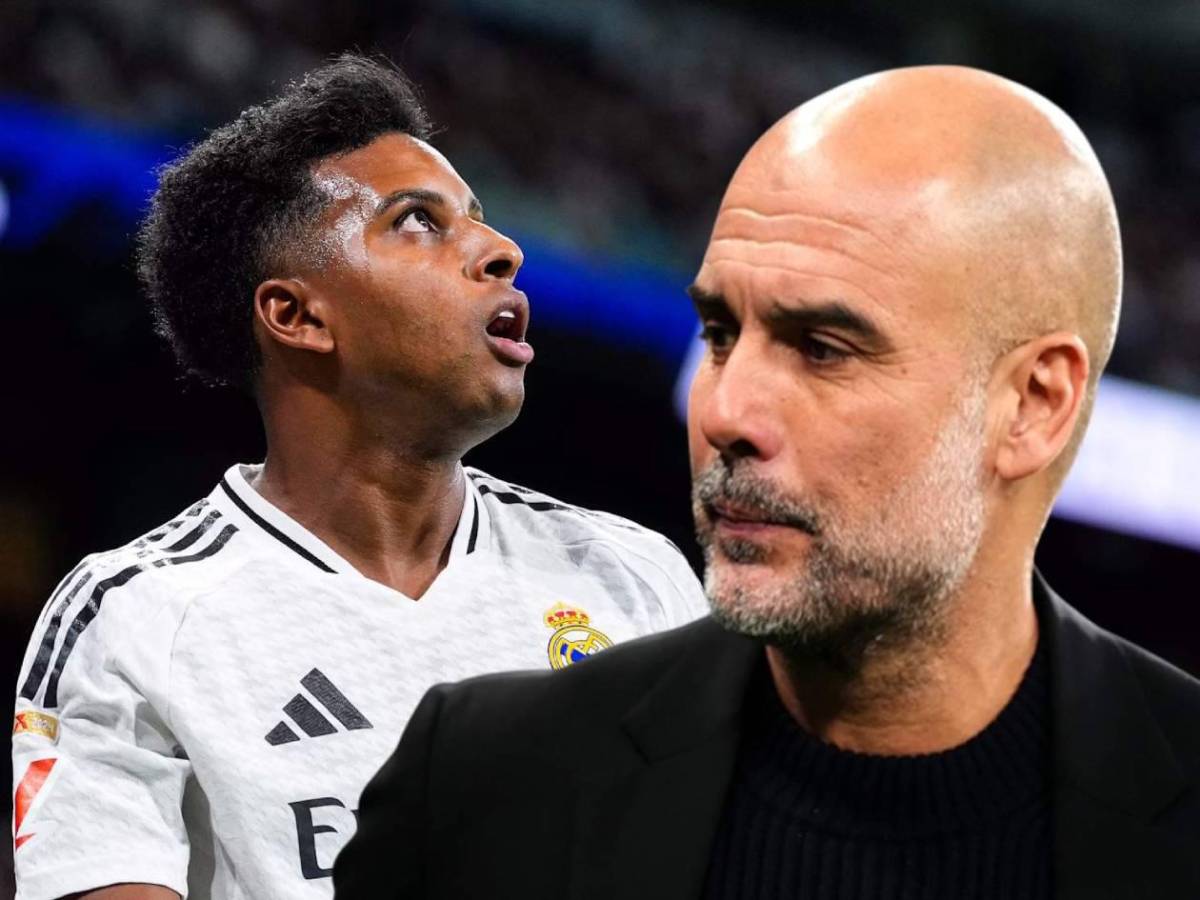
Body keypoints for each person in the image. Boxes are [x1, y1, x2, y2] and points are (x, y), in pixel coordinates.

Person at [335, 65, 1200, 899]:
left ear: (1033, 406)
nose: (725, 411)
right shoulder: (483, 786)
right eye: (719, 333)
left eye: (823, 349)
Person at [11, 55, 707, 900]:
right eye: (418, 222)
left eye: (479, 219)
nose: (502, 250)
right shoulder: (137, 619)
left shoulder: (634, 578)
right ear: (297, 315)